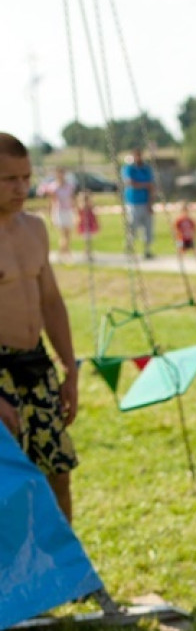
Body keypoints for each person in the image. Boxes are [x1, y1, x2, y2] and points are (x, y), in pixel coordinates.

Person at [0, 133, 79, 522]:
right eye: (8, 179)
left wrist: (70, 368)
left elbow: (50, 301)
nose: (21, 187)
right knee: (9, 487)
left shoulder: (35, 228)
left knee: (57, 473)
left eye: (25, 177)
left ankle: (68, 578)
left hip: (37, 364)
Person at [121, 146, 155, 259]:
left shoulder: (146, 169)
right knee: (132, 227)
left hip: (145, 202)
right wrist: (144, 185)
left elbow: (151, 187)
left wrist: (150, 203)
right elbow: (130, 183)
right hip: (133, 203)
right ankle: (129, 248)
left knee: (148, 228)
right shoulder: (129, 168)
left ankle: (147, 250)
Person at [45, 166, 76, 262]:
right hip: (59, 211)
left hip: (68, 210)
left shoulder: (69, 186)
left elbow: (72, 198)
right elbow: (51, 201)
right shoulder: (53, 187)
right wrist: (50, 214)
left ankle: (62, 253)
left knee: (68, 234)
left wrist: (75, 210)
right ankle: (66, 253)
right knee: (63, 234)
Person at [76, 190, 99, 261]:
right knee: (87, 242)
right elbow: (79, 219)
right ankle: (87, 254)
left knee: (89, 242)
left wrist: (96, 224)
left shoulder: (90, 208)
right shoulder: (82, 209)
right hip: (85, 227)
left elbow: (94, 217)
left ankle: (88, 254)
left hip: (90, 226)